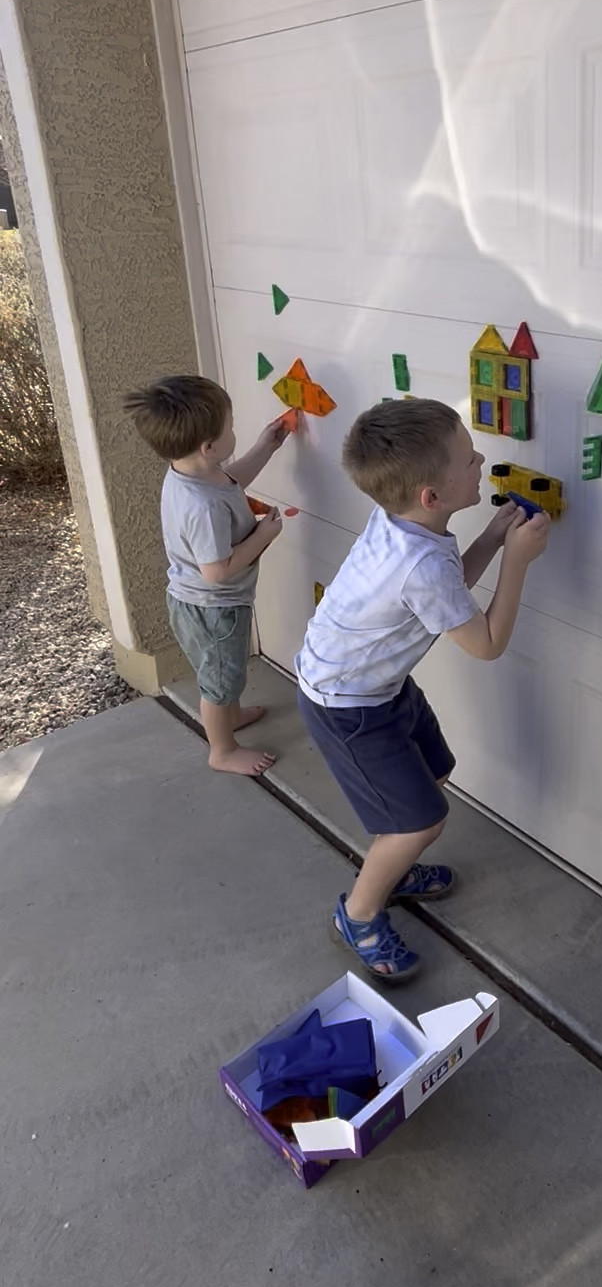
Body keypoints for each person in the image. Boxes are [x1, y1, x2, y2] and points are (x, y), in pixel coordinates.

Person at [296, 398, 549, 981]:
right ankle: (358, 914)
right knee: (421, 821)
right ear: (432, 496)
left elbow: (445, 591)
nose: (480, 457)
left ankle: (395, 867)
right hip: (347, 708)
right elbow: (485, 642)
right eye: (467, 459)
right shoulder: (419, 562)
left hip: (376, 688)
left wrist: (489, 537)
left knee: (431, 774)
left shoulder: (403, 521)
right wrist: (517, 563)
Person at [124, 374, 292, 776]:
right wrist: (263, 535)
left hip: (202, 603)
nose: (235, 430)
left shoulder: (193, 472)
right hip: (213, 607)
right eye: (231, 427)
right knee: (217, 682)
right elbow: (217, 571)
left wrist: (265, 446)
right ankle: (223, 749)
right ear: (209, 446)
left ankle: (229, 716)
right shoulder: (201, 506)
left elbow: (232, 484)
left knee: (224, 672)